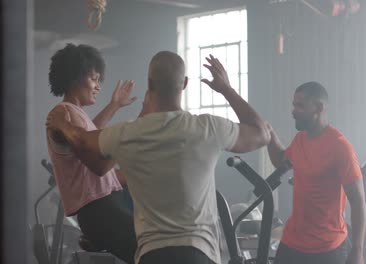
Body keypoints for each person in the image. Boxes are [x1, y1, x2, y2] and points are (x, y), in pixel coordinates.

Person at [46, 51, 270, 264]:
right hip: (199, 252)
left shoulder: (128, 134)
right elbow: (261, 134)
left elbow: (88, 145)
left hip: (154, 253)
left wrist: (64, 126)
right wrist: (226, 89)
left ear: (149, 85)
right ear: (184, 84)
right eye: (93, 78)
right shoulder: (208, 127)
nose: (97, 85)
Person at [46, 43, 138, 263]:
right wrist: (130, 134)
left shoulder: (73, 113)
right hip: (100, 208)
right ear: (76, 78)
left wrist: (114, 105)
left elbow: (90, 136)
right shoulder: (64, 113)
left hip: (105, 205)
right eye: (94, 78)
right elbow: (98, 161)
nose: (98, 86)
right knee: (150, 254)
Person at [266, 81, 366, 264]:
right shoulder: (300, 139)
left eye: (300, 106)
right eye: (294, 105)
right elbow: (281, 160)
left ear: (319, 107)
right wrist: (270, 135)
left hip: (327, 246)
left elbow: (358, 200)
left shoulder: (340, 147)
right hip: (293, 241)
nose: (293, 111)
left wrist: (358, 250)